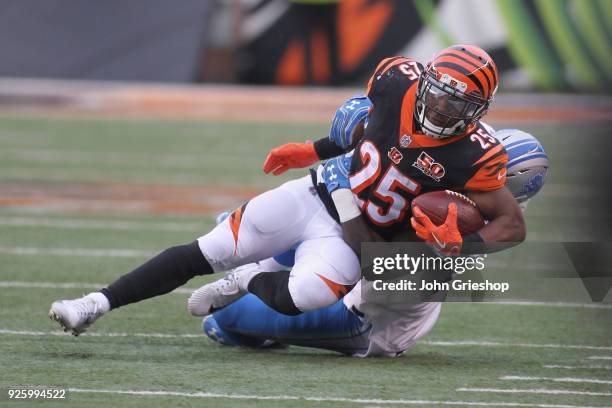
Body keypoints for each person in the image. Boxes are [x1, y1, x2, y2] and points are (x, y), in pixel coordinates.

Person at [49, 44, 525, 336]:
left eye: (457, 103)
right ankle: (94, 303)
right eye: (438, 93)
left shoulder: (477, 155)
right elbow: (368, 129)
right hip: (321, 191)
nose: (442, 109)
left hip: (356, 234)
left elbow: (513, 223)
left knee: (305, 297)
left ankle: (246, 279)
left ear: (479, 110)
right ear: (424, 82)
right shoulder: (396, 79)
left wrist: (466, 247)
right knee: (209, 248)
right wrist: (313, 149)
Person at [200, 129, 549, 357]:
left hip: (364, 323)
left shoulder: (451, 222)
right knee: (319, 219)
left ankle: (250, 311)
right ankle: (264, 257)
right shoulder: (490, 208)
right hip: (375, 284)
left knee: (225, 318)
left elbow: (371, 257)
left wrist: (342, 196)